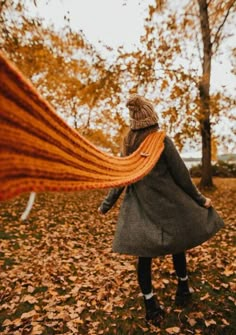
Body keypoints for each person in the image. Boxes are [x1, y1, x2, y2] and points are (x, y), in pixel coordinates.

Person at [98, 95, 224, 327]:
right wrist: (199, 199)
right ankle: (183, 290)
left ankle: (150, 306)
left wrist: (107, 204)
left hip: (141, 208)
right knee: (178, 246)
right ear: (152, 117)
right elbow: (182, 176)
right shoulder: (162, 140)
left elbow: (121, 178)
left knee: (144, 257)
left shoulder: (129, 143)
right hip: (168, 205)